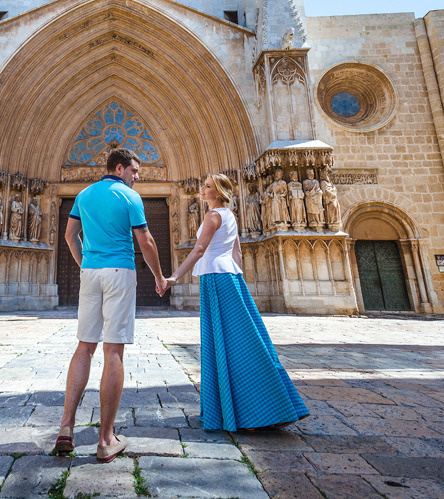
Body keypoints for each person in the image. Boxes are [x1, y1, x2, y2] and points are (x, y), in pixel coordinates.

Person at [167, 173, 308, 431]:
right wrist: (239, 284)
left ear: (218, 193)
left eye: (207, 186)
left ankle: (241, 411)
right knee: (243, 341)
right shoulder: (230, 215)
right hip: (231, 277)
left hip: (215, 278)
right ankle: (261, 408)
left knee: (222, 342)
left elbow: (199, 250)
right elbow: (238, 252)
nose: (202, 188)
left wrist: (175, 276)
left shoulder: (212, 216)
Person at [53, 148, 168, 463]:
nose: (136, 178)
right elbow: (145, 241)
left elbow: (69, 235)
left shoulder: (84, 195)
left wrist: (84, 264)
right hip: (119, 271)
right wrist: (158, 276)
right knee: (113, 350)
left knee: (84, 347)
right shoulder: (128, 197)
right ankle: (105, 439)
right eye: (134, 171)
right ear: (120, 168)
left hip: (90, 273)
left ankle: (66, 427)